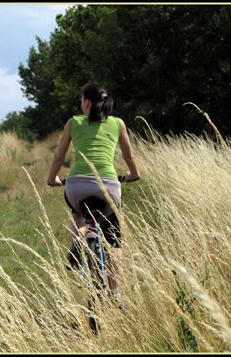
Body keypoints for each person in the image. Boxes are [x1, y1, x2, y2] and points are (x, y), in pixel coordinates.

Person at [46, 82, 140, 307]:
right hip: (108, 186)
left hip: (77, 185)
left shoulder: (73, 122)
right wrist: (133, 174)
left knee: (78, 214)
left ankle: (79, 237)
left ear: (86, 103)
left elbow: (59, 157)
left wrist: (52, 179)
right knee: (114, 242)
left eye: (81, 100)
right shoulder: (117, 123)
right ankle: (115, 294)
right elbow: (128, 156)